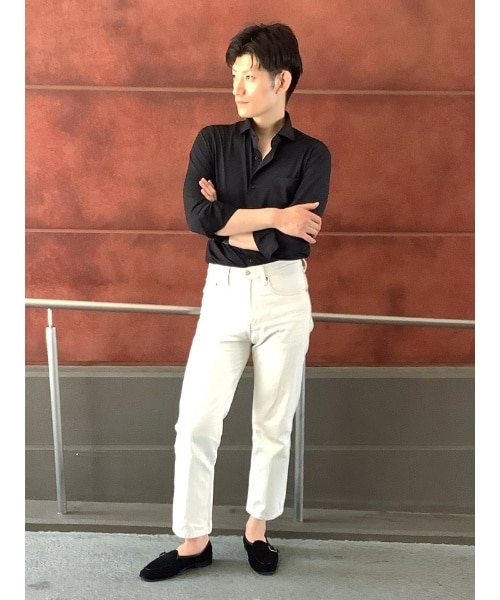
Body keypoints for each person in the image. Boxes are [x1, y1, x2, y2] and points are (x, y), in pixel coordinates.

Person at [140, 22, 331, 581]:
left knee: (272, 423)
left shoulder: (313, 155)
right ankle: (193, 540)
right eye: (233, 77)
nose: (237, 87)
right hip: (222, 296)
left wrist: (228, 219)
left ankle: (257, 529)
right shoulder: (212, 141)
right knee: (196, 421)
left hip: (284, 295)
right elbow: (196, 216)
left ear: (281, 80)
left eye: (248, 76)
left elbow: (298, 241)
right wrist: (274, 216)